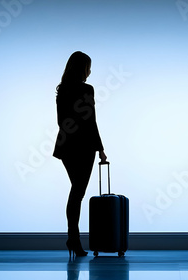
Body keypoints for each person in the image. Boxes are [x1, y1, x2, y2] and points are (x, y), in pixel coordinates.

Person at [53, 51, 107, 258]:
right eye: (88, 67)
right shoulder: (87, 89)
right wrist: (100, 148)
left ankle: (73, 239)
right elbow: (91, 120)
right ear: (82, 68)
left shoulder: (62, 90)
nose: (90, 71)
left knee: (76, 192)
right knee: (78, 193)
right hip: (84, 147)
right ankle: (73, 240)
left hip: (66, 146)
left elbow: (61, 121)